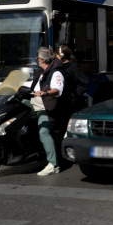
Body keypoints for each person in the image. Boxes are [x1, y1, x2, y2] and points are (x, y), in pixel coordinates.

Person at [33, 47, 71, 176]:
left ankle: (53, 165)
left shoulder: (56, 73)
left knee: (44, 132)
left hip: (51, 107)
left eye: (37, 58)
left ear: (42, 60)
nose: (37, 60)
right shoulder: (43, 71)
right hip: (40, 103)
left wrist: (45, 93)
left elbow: (57, 89)